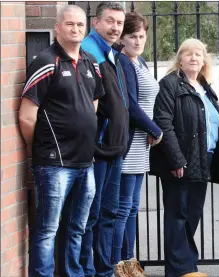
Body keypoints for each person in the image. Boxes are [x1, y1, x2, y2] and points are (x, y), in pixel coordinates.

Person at [19, 5, 104, 277]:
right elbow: (27, 117)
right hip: (55, 165)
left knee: (77, 227)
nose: (75, 29)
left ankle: (73, 273)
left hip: (85, 162)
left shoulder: (91, 63)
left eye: (80, 24)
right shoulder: (45, 62)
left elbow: (93, 104)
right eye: (69, 24)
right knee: (47, 230)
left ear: (86, 27)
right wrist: (44, 149)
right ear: (58, 28)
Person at [149, 38, 219, 277]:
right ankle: (182, 269)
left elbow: (215, 119)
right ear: (179, 59)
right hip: (179, 160)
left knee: (192, 213)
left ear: (204, 61)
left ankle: (184, 266)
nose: (193, 58)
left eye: (198, 54)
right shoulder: (169, 84)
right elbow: (163, 123)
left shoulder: (204, 87)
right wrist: (176, 159)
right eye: (188, 54)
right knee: (177, 213)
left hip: (204, 158)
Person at [76, 2, 129, 277]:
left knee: (108, 214)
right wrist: (93, 146)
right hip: (97, 151)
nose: (115, 28)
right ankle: (87, 271)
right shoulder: (88, 53)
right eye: (110, 21)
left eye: (119, 23)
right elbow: (86, 107)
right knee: (90, 217)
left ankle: (104, 270)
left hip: (115, 149)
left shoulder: (111, 52)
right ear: (95, 23)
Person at [112, 12, 162, 277]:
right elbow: (130, 105)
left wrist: (152, 131)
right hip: (130, 144)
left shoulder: (139, 61)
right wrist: (155, 129)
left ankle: (130, 262)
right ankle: (120, 265)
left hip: (142, 145)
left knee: (131, 207)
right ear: (122, 38)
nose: (138, 40)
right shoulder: (123, 61)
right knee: (123, 209)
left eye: (142, 36)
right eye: (132, 36)